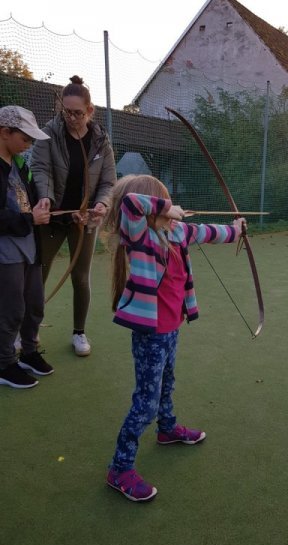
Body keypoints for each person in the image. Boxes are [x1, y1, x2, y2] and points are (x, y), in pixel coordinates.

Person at [104, 175, 245, 502]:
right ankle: (119, 468)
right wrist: (168, 207)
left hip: (171, 329)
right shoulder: (139, 235)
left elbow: (210, 232)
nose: (171, 212)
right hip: (151, 333)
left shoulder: (177, 232)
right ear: (155, 208)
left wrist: (236, 230)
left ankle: (167, 429)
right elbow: (130, 203)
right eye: (163, 204)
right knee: (146, 402)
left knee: (167, 383)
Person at [31, 75, 117, 357]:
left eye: (77, 113)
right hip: (53, 216)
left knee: (80, 277)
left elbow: (109, 182)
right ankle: (29, 329)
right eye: (66, 111)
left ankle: (79, 333)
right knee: (39, 272)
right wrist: (45, 196)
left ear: (90, 110)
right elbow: (40, 168)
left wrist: (101, 204)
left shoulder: (101, 141)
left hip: (85, 219)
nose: (71, 118)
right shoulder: (48, 132)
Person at [0, 105, 54, 389]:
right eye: (25, 138)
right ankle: (5, 363)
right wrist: (29, 218)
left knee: (34, 304)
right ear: (4, 132)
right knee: (11, 309)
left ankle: (29, 353)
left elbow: (29, 203)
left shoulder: (19, 164)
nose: (29, 144)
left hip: (29, 245)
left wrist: (45, 207)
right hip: (6, 251)